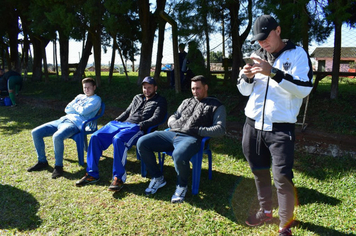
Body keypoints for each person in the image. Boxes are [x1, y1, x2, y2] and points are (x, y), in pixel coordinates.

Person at [237, 15, 313, 236]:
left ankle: (285, 226)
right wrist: (247, 78)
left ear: (278, 30)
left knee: (282, 178)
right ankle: (266, 211)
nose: (262, 43)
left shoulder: (297, 54)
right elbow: (243, 91)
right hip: (252, 125)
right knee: (259, 171)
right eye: (258, 40)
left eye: (266, 37)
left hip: (281, 128)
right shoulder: (255, 56)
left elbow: (304, 88)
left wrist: (273, 72)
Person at [137, 75, 226, 203]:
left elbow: (220, 129)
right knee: (142, 142)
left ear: (206, 87)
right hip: (173, 133)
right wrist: (173, 123)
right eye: (193, 89)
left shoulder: (216, 105)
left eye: (198, 88)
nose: (195, 92)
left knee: (178, 154)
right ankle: (157, 177)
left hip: (192, 138)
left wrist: (198, 130)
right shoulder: (186, 101)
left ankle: (182, 185)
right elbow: (174, 116)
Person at [75, 76, 167, 192]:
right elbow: (127, 112)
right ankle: (92, 174)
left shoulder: (160, 100)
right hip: (122, 124)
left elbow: (157, 118)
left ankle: (118, 178)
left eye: (149, 87)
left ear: (155, 88)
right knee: (95, 136)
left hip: (138, 127)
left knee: (119, 139)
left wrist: (141, 125)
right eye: (144, 87)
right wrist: (116, 120)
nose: (146, 90)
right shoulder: (137, 97)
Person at [28, 78, 102, 179]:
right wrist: (77, 108)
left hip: (75, 124)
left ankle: (58, 166)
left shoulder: (96, 99)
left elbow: (84, 111)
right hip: (62, 120)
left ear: (94, 87)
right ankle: (42, 161)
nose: (86, 89)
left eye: (89, 87)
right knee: (35, 132)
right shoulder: (79, 96)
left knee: (57, 136)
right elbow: (67, 109)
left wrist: (75, 106)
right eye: (85, 87)